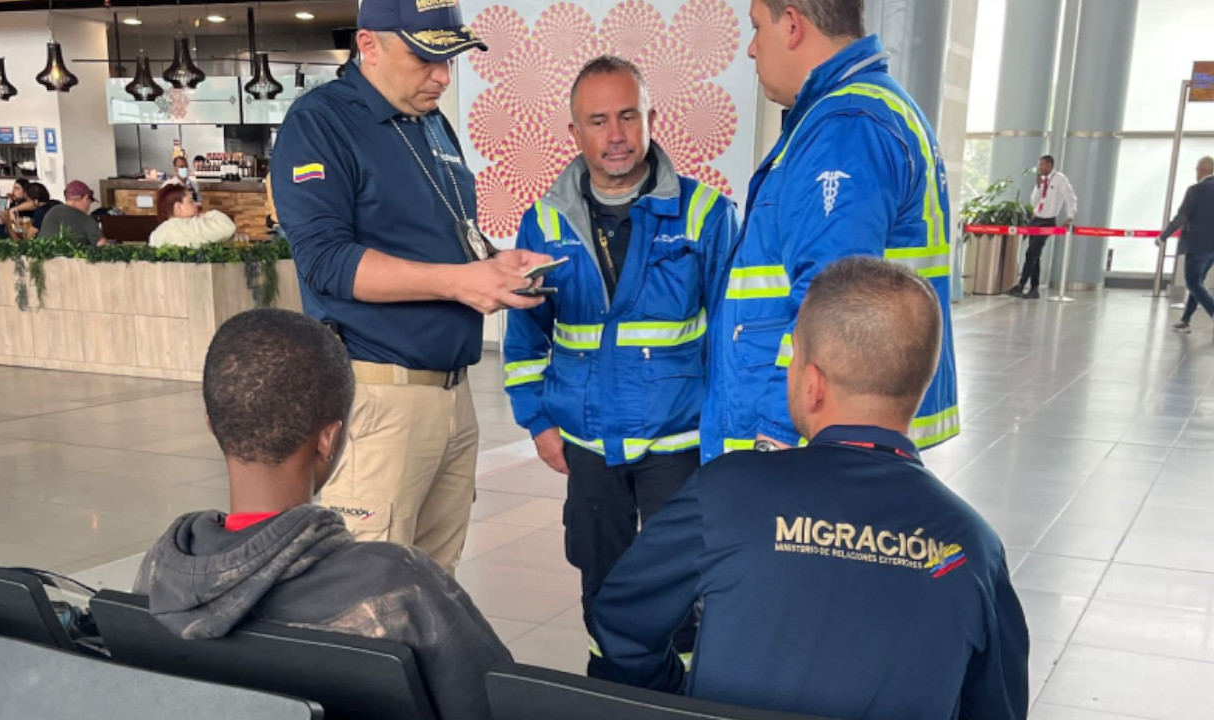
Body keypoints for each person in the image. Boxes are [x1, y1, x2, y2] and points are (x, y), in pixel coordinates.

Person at [592, 256, 1029, 720]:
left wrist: (682, 700)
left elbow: (621, 623)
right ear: (921, 386)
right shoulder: (972, 548)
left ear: (812, 385)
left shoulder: (725, 492)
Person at [270, 0, 552, 573]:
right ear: (368, 45)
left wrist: (494, 263)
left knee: (431, 588)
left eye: (450, 59)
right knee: (365, 595)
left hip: (452, 396)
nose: (443, 77)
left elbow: (440, 235)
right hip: (379, 396)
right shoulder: (321, 122)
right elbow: (325, 260)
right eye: (426, 58)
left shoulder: (431, 122)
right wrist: (458, 283)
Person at [134, 308, 511, 720]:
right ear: (329, 439)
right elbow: (499, 703)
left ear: (211, 423)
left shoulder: (160, 573)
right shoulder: (398, 587)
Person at [504, 55, 737, 678]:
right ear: (573, 132)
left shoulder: (705, 216)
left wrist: (726, 434)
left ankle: (685, 687)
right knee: (599, 573)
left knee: (681, 576)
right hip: (586, 439)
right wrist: (537, 420)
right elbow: (525, 337)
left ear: (651, 120)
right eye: (598, 120)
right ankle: (610, 687)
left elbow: (734, 339)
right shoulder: (545, 222)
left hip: (678, 439)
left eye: (629, 116)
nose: (616, 135)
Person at [704, 0, 959, 462]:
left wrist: (774, 437)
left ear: (793, 24)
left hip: (806, 437)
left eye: (758, 28)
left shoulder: (845, 128)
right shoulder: (872, 109)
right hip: (859, 429)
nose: (751, 49)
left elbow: (830, 299)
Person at [1007, 155, 1077, 299]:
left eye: (1043, 165)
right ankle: (1034, 289)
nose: (1040, 168)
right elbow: (1034, 201)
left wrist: (1070, 216)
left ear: (1050, 164)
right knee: (1035, 255)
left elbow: (1070, 197)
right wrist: (1038, 187)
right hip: (1036, 219)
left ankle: (1021, 285)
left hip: (1048, 221)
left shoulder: (1060, 179)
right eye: (1040, 165)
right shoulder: (1042, 180)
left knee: (1031, 253)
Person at [1161, 156, 1214, 334]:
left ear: (1202, 171)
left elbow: (1181, 217)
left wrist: (1163, 236)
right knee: (1197, 283)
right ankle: (1185, 320)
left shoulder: (1195, 190)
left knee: (1192, 283)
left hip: (1197, 245)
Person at [149, 184, 236, 248]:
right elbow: (227, 227)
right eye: (191, 201)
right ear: (179, 207)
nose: (197, 204)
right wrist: (206, 215)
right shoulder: (191, 225)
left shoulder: (156, 234)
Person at [38, 180, 108, 247]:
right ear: (85, 198)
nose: (89, 206)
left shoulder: (51, 211)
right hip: (72, 258)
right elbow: (102, 245)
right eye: (90, 201)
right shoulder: (86, 219)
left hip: (43, 257)